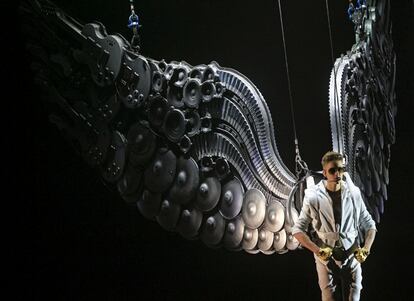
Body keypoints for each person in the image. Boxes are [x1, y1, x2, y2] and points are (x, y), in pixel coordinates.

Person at [292, 151, 377, 301]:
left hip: (352, 255)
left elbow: (370, 224)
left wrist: (366, 249)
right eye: (332, 170)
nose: (337, 174)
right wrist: (318, 251)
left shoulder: (353, 193)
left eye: (341, 169)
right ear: (324, 172)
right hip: (326, 259)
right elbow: (297, 230)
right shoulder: (313, 196)